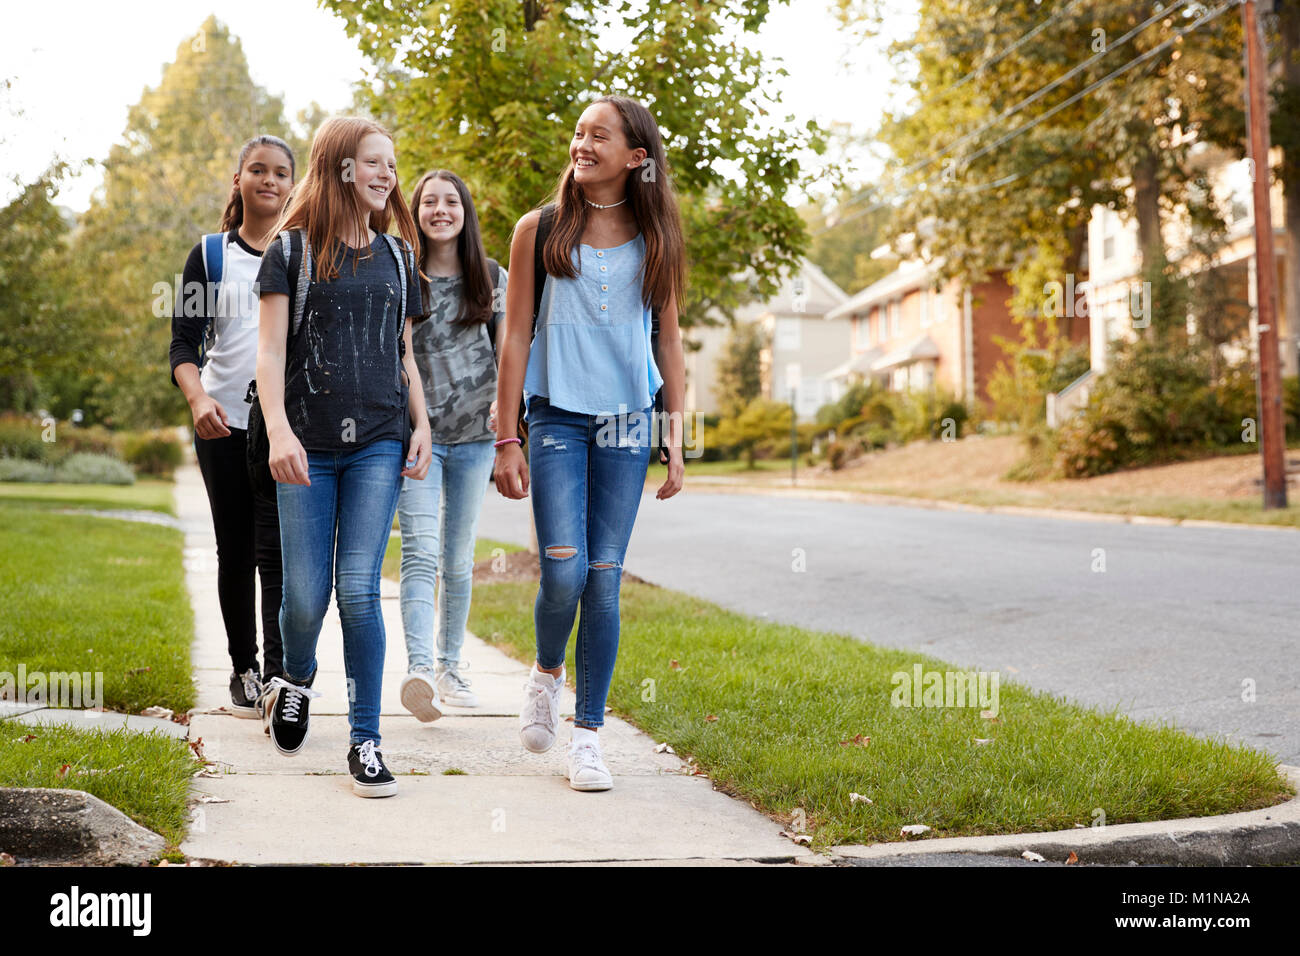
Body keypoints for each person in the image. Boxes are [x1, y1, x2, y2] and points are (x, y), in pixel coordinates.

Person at [493, 95, 686, 792]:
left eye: (598, 135)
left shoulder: (657, 234)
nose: (582, 143)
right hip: (554, 417)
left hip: (629, 422)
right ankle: (547, 671)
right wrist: (504, 433)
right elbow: (514, 334)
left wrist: (676, 432)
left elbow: (667, 337)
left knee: (605, 579)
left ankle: (589, 736)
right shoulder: (538, 229)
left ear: (637, 156)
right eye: (577, 132)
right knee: (565, 571)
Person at [255, 116, 430, 798]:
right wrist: (277, 431)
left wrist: (423, 425)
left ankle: (365, 741)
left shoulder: (399, 258)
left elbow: (405, 354)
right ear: (341, 169)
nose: (388, 175)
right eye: (374, 162)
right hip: (306, 442)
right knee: (305, 596)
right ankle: (295, 677)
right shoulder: (290, 254)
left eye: (392, 163)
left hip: (380, 441)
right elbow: (270, 354)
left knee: (358, 589)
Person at [169, 135, 294, 719]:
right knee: (236, 549)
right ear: (239, 180)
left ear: (294, 185)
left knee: (279, 554)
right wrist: (197, 402)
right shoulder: (209, 255)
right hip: (223, 425)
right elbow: (182, 344)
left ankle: (277, 674)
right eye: (258, 170)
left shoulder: (302, 252)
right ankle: (243, 667)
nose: (269, 180)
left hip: (282, 429)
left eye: (281, 173)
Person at [396, 170, 508, 721]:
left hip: (475, 440)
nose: (441, 210)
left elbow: (511, 353)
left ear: (465, 211)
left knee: (458, 559)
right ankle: (419, 669)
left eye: (451, 201)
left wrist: (506, 411)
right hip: (419, 439)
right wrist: (418, 424)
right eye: (429, 202)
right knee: (419, 552)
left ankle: (451, 666)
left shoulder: (490, 277)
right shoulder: (402, 276)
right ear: (415, 212)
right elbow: (402, 357)